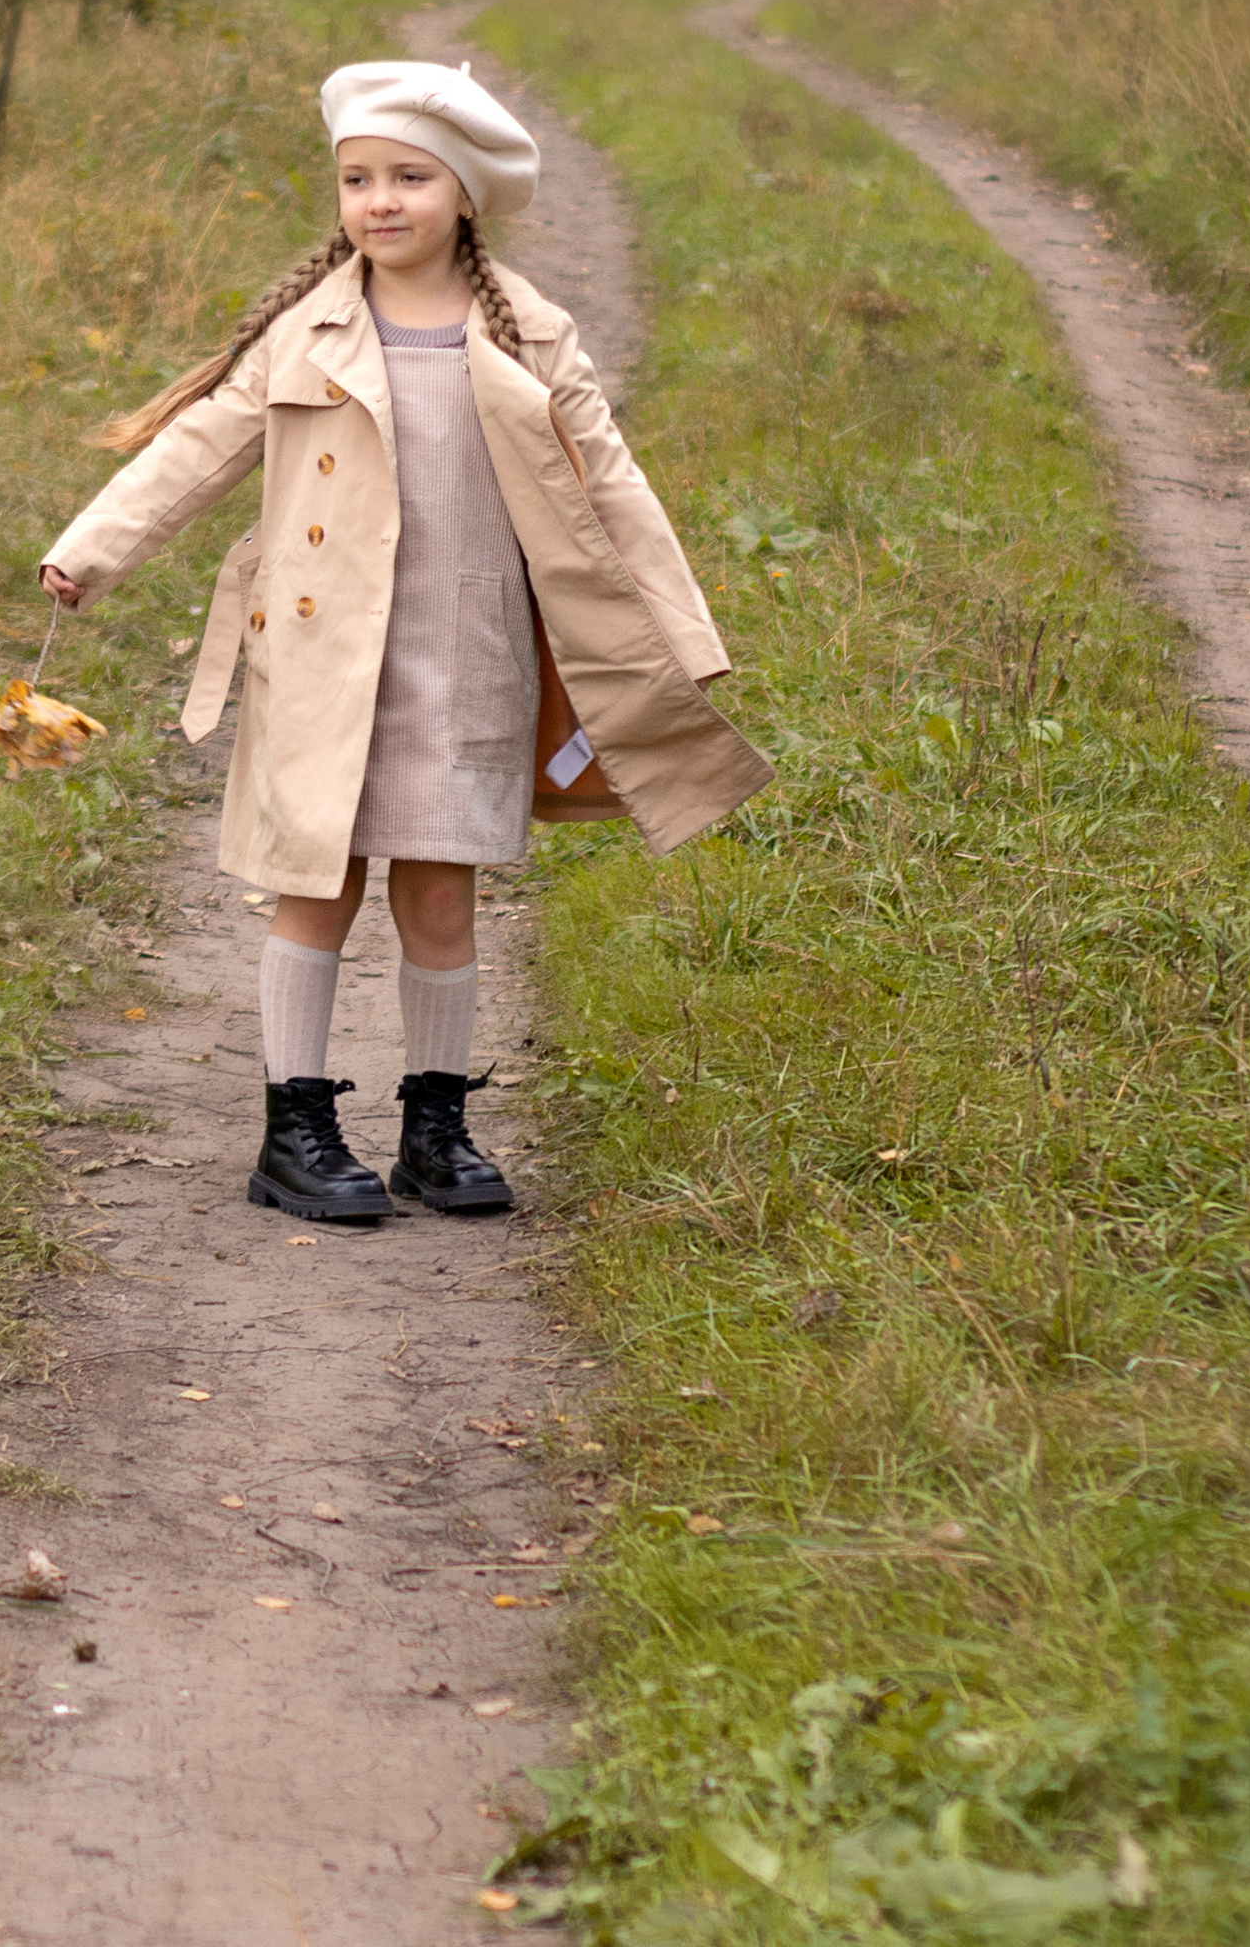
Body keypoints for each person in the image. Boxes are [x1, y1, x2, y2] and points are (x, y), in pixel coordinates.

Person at [38, 60, 769, 1229]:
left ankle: (436, 1128)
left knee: (438, 892)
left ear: (465, 194)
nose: (380, 200)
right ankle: (294, 1129)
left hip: (464, 651)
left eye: (410, 178)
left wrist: (682, 632)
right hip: (320, 658)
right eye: (357, 178)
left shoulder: (531, 332)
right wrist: (91, 549)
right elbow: (200, 445)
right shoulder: (308, 330)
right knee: (315, 885)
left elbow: (612, 484)